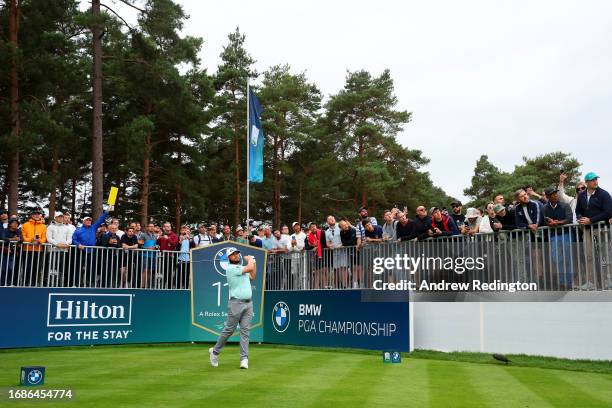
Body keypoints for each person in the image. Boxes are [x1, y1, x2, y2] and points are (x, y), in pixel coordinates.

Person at [209, 249, 256, 369]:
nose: (236, 255)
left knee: (245, 331)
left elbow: (253, 275)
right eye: (233, 254)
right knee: (229, 330)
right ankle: (215, 352)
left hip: (248, 304)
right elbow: (249, 268)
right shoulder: (230, 269)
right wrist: (251, 259)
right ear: (229, 258)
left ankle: (244, 359)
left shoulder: (241, 268)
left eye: (237, 253)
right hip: (236, 303)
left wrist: (253, 262)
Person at [575, 172, 612, 289]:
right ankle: (591, 281)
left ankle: (609, 279)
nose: (596, 181)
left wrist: (591, 220)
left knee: (605, 254)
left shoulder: (604, 194)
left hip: (602, 229)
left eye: (596, 179)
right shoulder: (581, 196)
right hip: (587, 230)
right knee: (589, 255)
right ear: (587, 183)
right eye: (592, 180)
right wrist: (580, 218)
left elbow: (608, 212)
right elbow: (578, 210)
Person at [543, 185, 573, 289]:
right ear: (547, 197)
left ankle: (569, 283)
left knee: (568, 258)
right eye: (553, 194)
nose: (555, 195)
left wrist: (557, 222)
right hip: (553, 236)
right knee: (557, 259)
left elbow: (569, 219)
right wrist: (549, 223)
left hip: (566, 234)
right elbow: (544, 221)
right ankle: (562, 282)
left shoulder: (565, 205)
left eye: (556, 193)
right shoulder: (545, 208)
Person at [72, 209, 110, 287]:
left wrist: (106, 212)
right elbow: (73, 239)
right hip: (81, 251)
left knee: (92, 268)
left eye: (90, 220)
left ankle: (90, 282)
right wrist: (78, 244)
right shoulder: (78, 230)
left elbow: (100, 220)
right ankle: (78, 283)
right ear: (83, 221)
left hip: (91, 251)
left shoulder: (93, 227)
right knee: (79, 268)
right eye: (87, 220)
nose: (89, 221)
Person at [21, 207, 48, 286]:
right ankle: (25, 284)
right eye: (35, 214)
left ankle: (34, 284)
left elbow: (45, 238)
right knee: (27, 267)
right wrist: (31, 240)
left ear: (40, 216)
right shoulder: (25, 225)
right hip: (27, 250)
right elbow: (23, 237)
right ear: (31, 215)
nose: (36, 215)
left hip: (39, 250)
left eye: (38, 214)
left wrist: (39, 241)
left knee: (36, 268)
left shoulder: (43, 226)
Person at [47, 212, 72, 287]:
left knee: (62, 267)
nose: (60, 218)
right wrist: (57, 244)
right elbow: (49, 238)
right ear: (55, 218)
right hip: (53, 250)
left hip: (63, 251)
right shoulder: (50, 227)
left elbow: (70, 238)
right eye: (58, 217)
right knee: (53, 267)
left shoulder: (66, 227)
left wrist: (66, 244)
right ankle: (52, 283)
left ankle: (60, 283)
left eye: (61, 217)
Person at [339, 220, 361, 288]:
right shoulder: (341, 232)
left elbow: (352, 241)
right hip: (349, 252)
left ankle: (361, 283)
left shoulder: (353, 230)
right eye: (343, 226)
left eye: (346, 224)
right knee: (352, 268)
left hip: (357, 251)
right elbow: (343, 242)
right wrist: (346, 244)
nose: (346, 226)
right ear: (341, 228)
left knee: (359, 268)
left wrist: (345, 244)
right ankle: (355, 284)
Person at [325, 216, 346, 288]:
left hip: (343, 250)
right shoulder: (327, 231)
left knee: (344, 267)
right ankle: (337, 286)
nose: (332, 220)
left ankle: (345, 285)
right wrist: (329, 246)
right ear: (327, 222)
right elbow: (327, 243)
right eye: (329, 219)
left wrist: (343, 244)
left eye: (332, 218)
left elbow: (347, 232)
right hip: (335, 252)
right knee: (336, 269)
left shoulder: (340, 226)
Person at [1, 217, 22, 286]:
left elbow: (21, 239)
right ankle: (2, 283)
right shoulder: (4, 230)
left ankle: (9, 283)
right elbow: (3, 238)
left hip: (13, 252)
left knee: (10, 268)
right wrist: (13, 239)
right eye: (14, 223)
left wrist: (18, 239)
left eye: (17, 223)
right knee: (3, 268)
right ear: (10, 224)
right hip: (3, 252)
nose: (16, 225)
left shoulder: (18, 231)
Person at [99, 223, 121, 287]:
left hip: (114, 257)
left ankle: (110, 286)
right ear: (109, 229)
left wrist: (116, 244)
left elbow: (119, 245)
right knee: (105, 272)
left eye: (115, 228)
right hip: (106, 256)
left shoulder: (117, 237)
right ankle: (103, 286)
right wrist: (109, 243)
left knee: (113, 272)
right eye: (112, 228)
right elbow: (103, 245)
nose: (114, 230)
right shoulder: (104, 235)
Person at [157, 222, 178, 289]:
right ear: (163, 228)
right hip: (161, 256)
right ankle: (161, 287)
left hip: (170, 257)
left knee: (168, 273)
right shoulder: (162, 235)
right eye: (166, 226)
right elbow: (157, 244)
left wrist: (168, 239)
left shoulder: (174, 235)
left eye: (169, 226)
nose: (168, 228)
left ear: (171, 227)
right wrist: (158, 238)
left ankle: (168, 288)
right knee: (161, 272)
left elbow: (175, 244)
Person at [141, 223, 158, 289]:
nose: (151, 228)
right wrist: (148, 248)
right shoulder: (143, 235)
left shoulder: (155, 236)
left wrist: (156, 247)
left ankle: (146, 285)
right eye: (150, 226)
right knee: (145, 270)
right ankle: (142, 286)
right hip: (145, 255)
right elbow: (140, 245)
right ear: (147, 228)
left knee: (150, 271)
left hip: (153, 256)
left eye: (152, 226)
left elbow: (155, 245)